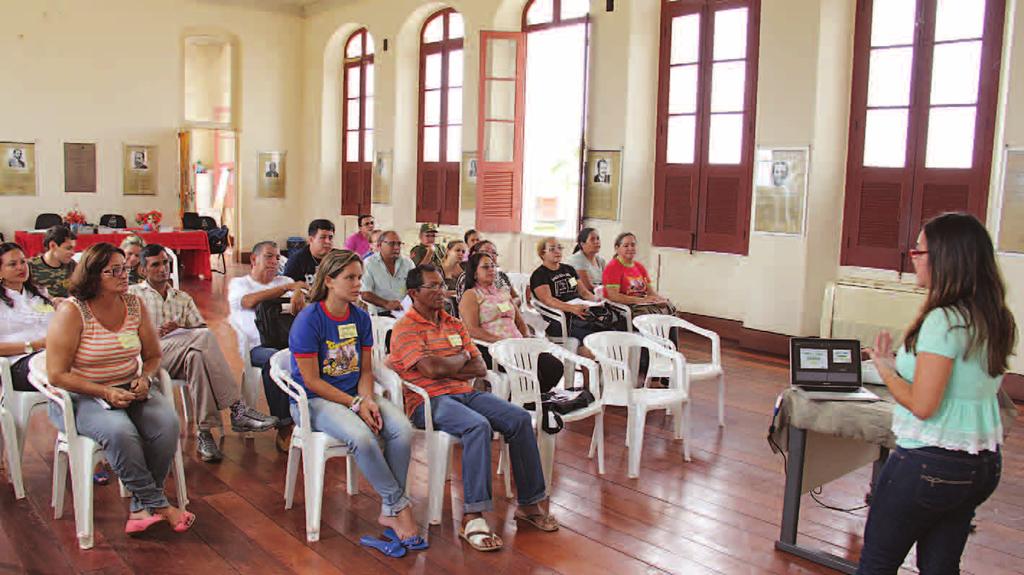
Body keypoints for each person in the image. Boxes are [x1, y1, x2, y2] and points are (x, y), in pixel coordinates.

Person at [856, 213, 1015, 574]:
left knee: (876, 565)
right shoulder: (993, 316)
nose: (912, 256)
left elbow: (924, 405)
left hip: (929, 465)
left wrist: (884, 368)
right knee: (941, 568)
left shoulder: (943, 319)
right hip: (982, 466)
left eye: (920, 250)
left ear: (946, 258)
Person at [389, 265, 558, 552]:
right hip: (428, 402)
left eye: (442, 285)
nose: (441, 291)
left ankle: (529, 504)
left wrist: (451, 364)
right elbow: (430, 369)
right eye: (432, 287)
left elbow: (478, 366)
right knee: (476, 425)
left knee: (517, 418)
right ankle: (473, 516)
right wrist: (459, 359)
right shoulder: (405, 328)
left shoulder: (453, 323)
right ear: (413, 293)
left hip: (464, 393)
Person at [44, 242, 194, 534]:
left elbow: (152, 356)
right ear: (93, 275)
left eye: (125, 268)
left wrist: (145, 378)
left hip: (129, 387)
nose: (124, 275)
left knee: (167, 424)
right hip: (82, 394)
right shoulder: (72, 312)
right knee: (120, 431)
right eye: (114, 271)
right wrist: (105, 392)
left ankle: (140, 509)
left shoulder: (134, 305)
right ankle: (159, 505)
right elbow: (57, 375)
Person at [288, 250, 422, 544]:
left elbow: (364, 371)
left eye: (359, 277)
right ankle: (399, 505)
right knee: (362, 437)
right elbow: (310, 380)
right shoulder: (309, 320)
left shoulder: (360, 318)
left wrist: (368, 399)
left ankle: (389, 509)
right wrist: (356, 404)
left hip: (355, 394)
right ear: (330, 281)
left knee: (401, 429)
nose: (358, 283)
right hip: (314, 401)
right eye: (350, 277)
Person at [130, 244, 278, 462]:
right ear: (143, 270)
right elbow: (122, 336)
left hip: (181, 353)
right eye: (155, 265)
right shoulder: (133, 296)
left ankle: (205, 433)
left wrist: (180, 327)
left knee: (197, 357)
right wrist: (150, 333)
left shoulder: (181, 297)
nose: (163, 268)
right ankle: (237, 408)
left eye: (166, 263)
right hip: (149, 357)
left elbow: (200, 330)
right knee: (203, 340)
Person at [228, 241, 306, 452]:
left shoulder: (287, 280)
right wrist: (285, 289)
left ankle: (308, 419)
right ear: (254, 259)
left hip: (287, 341)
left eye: (278, 257)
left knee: (306, 356)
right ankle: (284, 426)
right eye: (269, 257)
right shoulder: (240, 284)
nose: (275, 262)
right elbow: (248, 302)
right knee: (276, 360)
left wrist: (298, 294)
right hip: (256, 347)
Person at [459, 252, 562, 392]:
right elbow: (471, 329)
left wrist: (526, 337)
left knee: (554, 367)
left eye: (493, 266)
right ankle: (527, 401)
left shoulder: (502, 292)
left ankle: (533, 399)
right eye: (485, 267)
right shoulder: (471, 295)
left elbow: (520, 322)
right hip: (492, 348)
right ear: (475, 273)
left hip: (517, 344)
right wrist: (501, 341)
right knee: (533, 372)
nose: (491, 269)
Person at [530, 237, 616, 350]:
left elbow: (583, 292)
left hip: (581, 313)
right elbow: (548, 300)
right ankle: (590, 365)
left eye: (559, 248)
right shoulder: (539, 275)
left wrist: (596, 300)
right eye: (552, 249)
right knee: (591, 339)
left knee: (611, 333)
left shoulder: (568, 270)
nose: (557, 251)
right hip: (560, 319)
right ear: (542, 254)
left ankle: (606, 366)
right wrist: (571, 308)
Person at [0, 242, 53, 391]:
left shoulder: (39, 294)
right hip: (18, 363)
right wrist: (35, 345)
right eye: (12, 264)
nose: (21, 267)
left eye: (23, 262)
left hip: (51, 354)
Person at [602, 232, 676, 317]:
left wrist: (659, 300)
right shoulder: (613, 267)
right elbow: (613, 296)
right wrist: (642, 300)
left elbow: (650, 292)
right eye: (626, 246)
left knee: (670, 307)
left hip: (643, 303)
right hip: (626, 308)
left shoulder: (639, 267)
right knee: (649, 316)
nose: (630, 248)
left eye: (633, 245)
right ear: (617, 248)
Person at [284, 219, 335, 313]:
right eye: (323, 237)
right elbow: (288, 286)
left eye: (330, 237)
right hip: (307, 307)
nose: (328, 241)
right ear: (311, 239)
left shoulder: (337, 258)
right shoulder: (297, 259)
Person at [361, 230, 415, 316]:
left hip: (404, 312)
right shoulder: (369, 264)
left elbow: (414, 288)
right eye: (392, 244)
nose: (397, 247)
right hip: (379, 314)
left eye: (399, 244)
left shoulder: (408, 263)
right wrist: (386, 304)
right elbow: (365, 293)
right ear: (379, 245)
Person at [454, 240, 519, 304]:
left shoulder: (501, 276)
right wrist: (506, 307)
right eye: (485, 252)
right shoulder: (467, 277)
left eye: (494, 253)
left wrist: (509, 306)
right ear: (474, 254)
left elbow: (516, 298)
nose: (490, 255)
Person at [28, 225, 77, 299]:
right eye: (68, 248)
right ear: (53, 245)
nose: (73, 253)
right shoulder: (31, 267)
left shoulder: (72, 265)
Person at [566, 227, 606, 295]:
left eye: (598, 238)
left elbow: (607, 281)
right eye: (592, 239)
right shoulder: (577, 259)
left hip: (598, 293)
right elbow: (587, 287)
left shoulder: (601, 260)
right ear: (582, 244)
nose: (597, 242)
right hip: (581, 295)